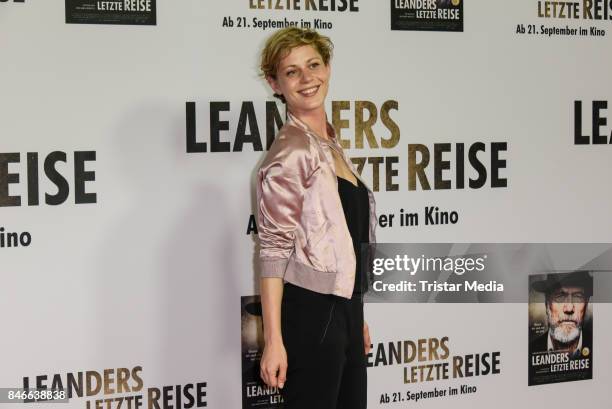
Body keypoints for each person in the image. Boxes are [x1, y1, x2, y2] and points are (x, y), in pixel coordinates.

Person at [255, 27, 377, 409]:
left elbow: (343, 243)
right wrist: (274, 340)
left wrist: (355, 316)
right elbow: (272, 251)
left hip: (344, 309)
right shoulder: (291, 151)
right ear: (275, 83)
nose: (307, 78)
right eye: (292, 72)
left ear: (328, 68)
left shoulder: (327, 143)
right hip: (312, 314)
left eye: (313, 65)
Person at [530, 270, 593, 356]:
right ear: (547, 304)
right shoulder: (529, 351)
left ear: (586, 303)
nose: (569, 308)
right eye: (560, 296)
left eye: (578, 297)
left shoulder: (599, 346)